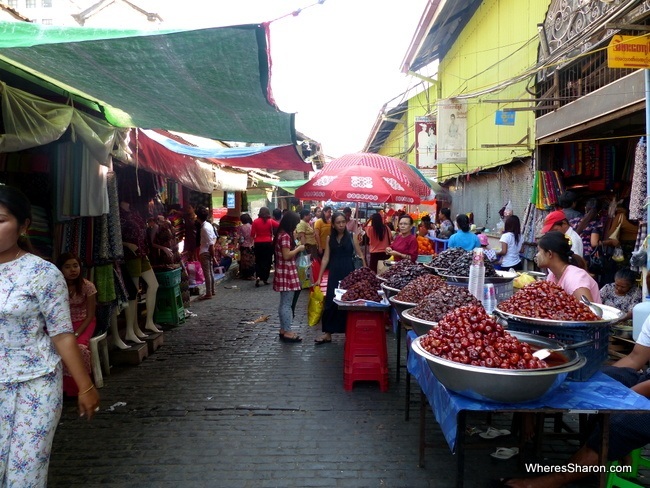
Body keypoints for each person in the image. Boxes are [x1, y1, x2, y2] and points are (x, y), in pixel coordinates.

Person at [0, 185, 100, 486]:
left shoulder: (42, 273)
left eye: (0, 220)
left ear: (23, 226)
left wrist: (85, 387)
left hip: (36, 384)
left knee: (24, 476)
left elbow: (61, 333)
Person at [314, 211, 366, 345]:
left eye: (343, 222)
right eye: (338, 222)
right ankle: (328, 333)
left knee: (349, 302)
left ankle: (349, 331)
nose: (341, 225)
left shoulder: (352, 236)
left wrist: (365, 273)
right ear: (333, 224)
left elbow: (360, 255)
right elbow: (326, 258)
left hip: (349, 272)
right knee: (331, 301)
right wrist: (319, 277)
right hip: (334, 272)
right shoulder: (329, 238)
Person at [56, 252, 97, 397]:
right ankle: (62, 389)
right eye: (67, 267)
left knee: (79, 348)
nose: (73, 270)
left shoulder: (88, 286)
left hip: (84, 322)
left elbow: (90, 315)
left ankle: (81, 388)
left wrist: (77, 333)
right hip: (63, 323)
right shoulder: (56, 288)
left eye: (75, 266)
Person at [119, 200, 161, 339]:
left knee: (153, 285)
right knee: (133, 293)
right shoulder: (119, 215)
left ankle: (148, 322)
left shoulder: (134, 212)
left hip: (142, 253)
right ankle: (132, 329)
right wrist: (127, 245)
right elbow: (114, 237)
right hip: (131, 255)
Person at [535, 231, 600, 303]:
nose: (537, 255)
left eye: (539, 251)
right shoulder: (552, 276)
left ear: (550, 254)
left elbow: (588, 311)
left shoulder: (575, 279)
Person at [273, 211, 306, 343]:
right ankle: (287, 330)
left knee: (284, 303)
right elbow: (286, 255)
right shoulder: (285, 236)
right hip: (287, 272)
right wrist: (299, 248)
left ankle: (284, 329)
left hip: (282, 271)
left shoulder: (280, 234)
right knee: (287, 304)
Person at [149, 213, 190, 309]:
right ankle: (175, 306)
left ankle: (184, 306)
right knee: (174, 281)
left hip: (176, 254)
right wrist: (163, 248)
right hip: (168, 256)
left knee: (184, 277)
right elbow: (152, 243)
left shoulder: (168, 223)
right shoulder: (156, 227)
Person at [251, 206, 279, 287]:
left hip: (258, 243)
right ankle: (265, 278)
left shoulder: (255, 222)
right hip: (268, 243)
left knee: (258, 261)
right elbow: (279, 225)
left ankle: (258, 277)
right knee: (267, 261)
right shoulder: (270, 221)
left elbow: (252, 234)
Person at [196, 205, 216, 300]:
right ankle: (212, 290)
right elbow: (213, 239)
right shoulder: (208, 225)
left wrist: (213, 255)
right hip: (208, 251)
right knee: (210, 272)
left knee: (207, 273)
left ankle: (209, 293)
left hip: (205, 251)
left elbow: (211, 243)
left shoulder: (204, 228)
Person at [237, 213, 255, 280]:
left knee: (244, 261)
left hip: (244, 245)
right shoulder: (252, 226)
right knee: (251, 260)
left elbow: (240, 237)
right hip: (251, 245)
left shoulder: (241, 227)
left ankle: (244, 274)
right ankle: (251, 274)